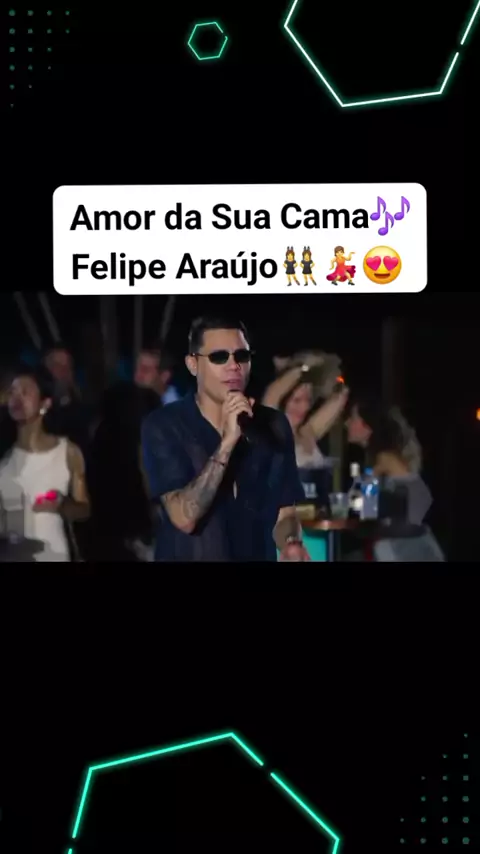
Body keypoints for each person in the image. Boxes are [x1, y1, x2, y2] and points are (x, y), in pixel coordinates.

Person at [141, 316, 310, 561]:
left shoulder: (272, 424)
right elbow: (184, 517)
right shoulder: (165, 425)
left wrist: (291, 542)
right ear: (193, 364)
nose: (234, 366)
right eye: (219, 357)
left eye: (242, 356)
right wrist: (227, 443)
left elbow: (285, 514)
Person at [0, 366, 90, 561]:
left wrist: (62, 505)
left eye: (25, 392)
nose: (16, 399)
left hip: (53, 555)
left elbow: (84, 509)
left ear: (45, 402)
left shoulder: (67, 451)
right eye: (13, 392)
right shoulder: (4, 456)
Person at [345, 399, 432, 525]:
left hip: (405, 532)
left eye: (353, 418)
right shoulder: (376, 458)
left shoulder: (385, 459)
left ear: (368, 427)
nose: (347, 423)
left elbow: (367, 508)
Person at [262, 351, 350, 469]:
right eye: (297, 400)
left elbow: (341, 396)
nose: (304, 407)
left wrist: (336, 378)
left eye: (308, 400)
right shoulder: (270, 432)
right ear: (282, 401)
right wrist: (303, 367)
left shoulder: (308, 432)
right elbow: (272, 395)